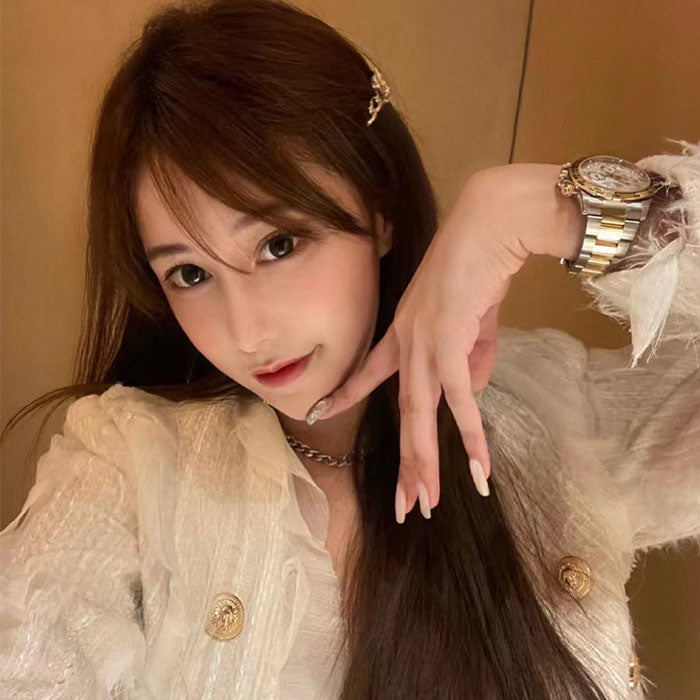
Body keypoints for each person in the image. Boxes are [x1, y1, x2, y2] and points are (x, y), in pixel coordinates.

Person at [1, 0, 698, 697]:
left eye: (279, 244)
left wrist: (552, 209)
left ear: (380, 211)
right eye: (190, 274)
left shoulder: (559, 414)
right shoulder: (126, 466)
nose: (247, 332)